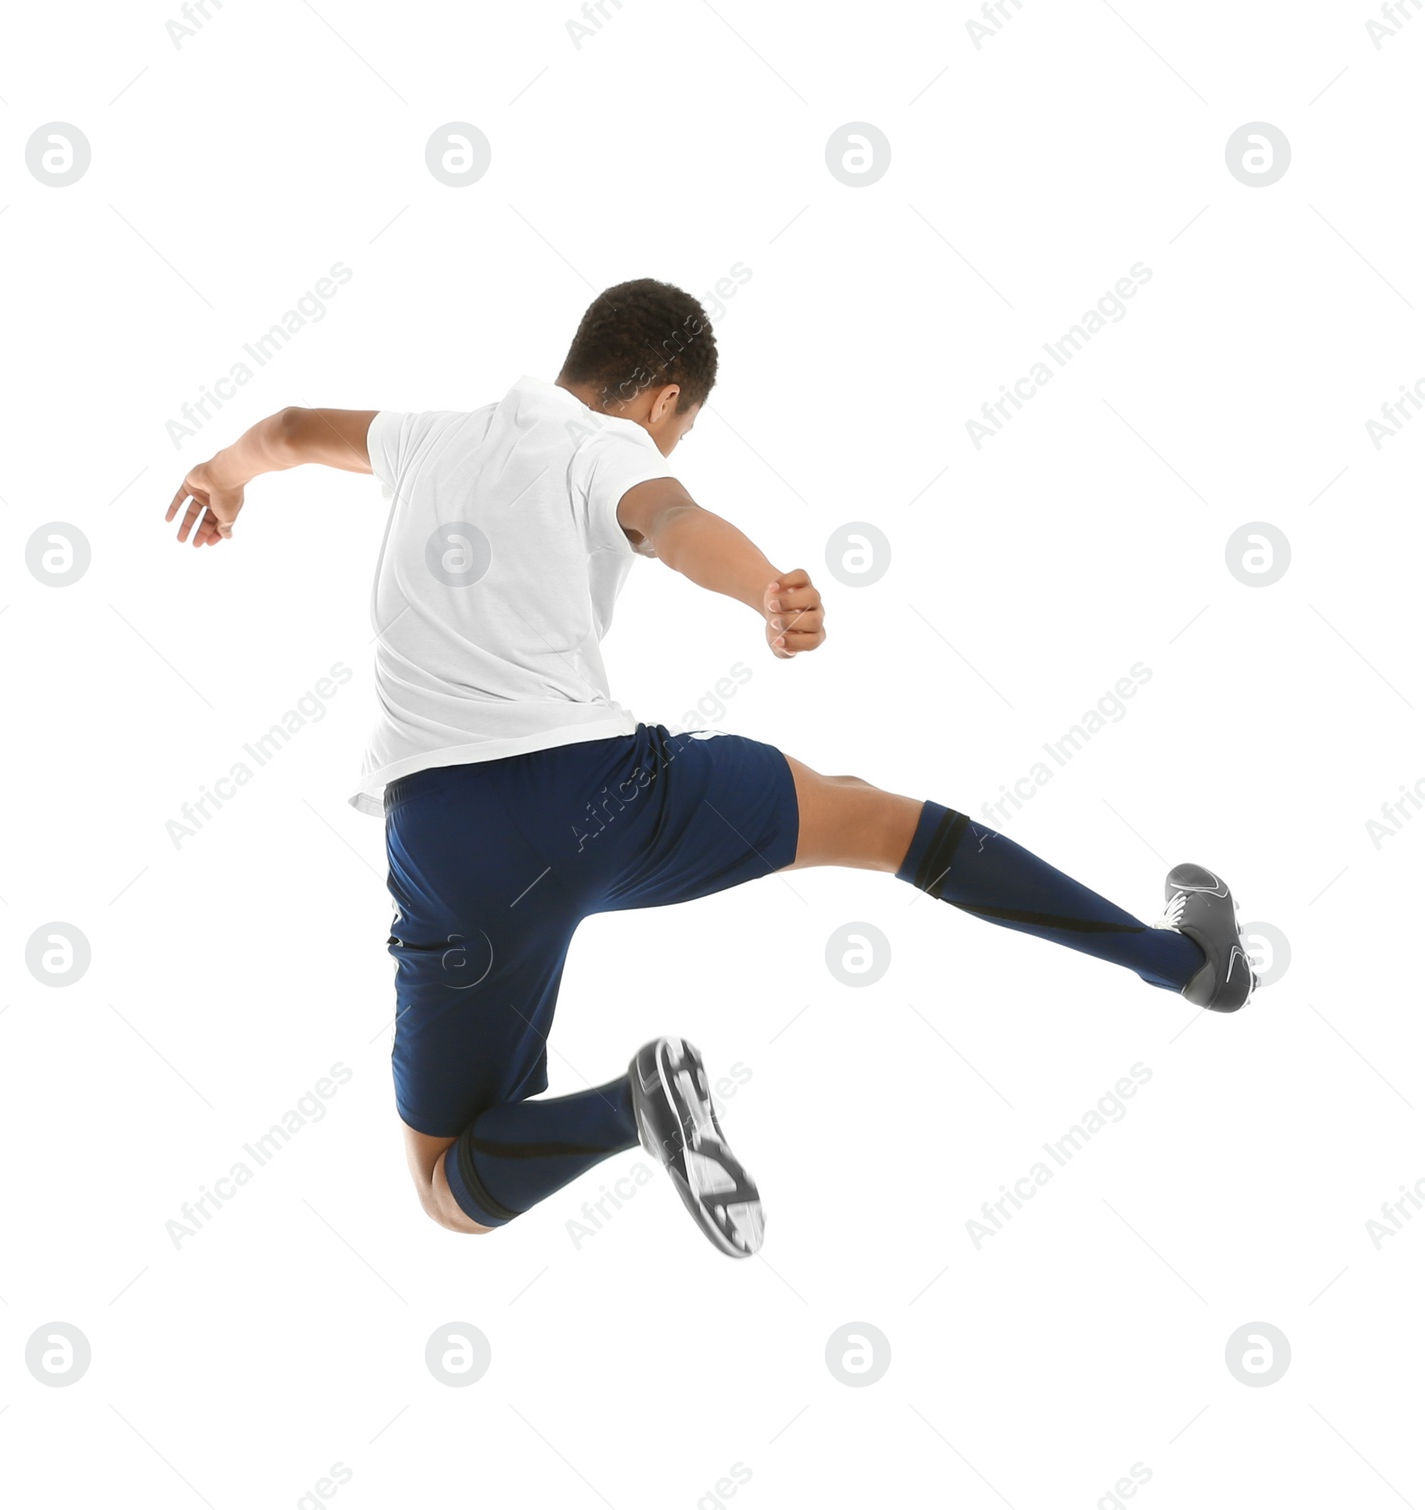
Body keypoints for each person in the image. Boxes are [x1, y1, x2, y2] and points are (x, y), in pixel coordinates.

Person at [166, 277, 1255, 1258]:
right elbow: (668, 519)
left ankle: (628, 1110)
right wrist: (762, 591)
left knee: (446, 1182)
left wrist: (225, 474)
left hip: (446, 842)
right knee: (877, 824)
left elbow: (295, 428)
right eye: (680, 428)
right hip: (600, 796)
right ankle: (1184, 963)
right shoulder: (608, 446)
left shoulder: (432, 438)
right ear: (661, 398)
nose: (669, 448)